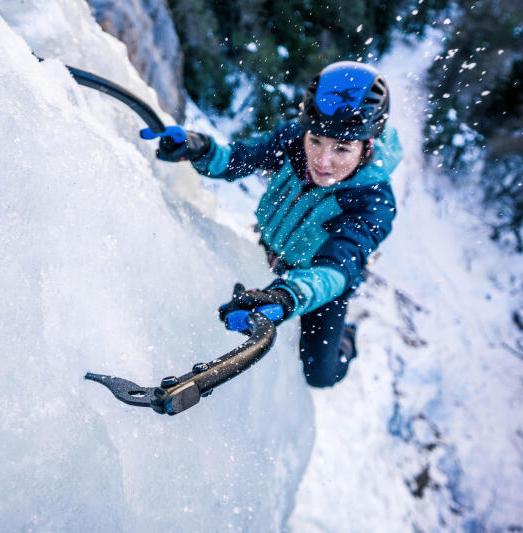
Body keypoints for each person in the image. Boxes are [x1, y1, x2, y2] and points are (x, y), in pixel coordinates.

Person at [152, 61, 402, 388]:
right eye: (317, 141)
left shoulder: (373, 201)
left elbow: (337, 269)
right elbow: (239, 158)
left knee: (320, 374)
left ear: (367, 145)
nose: (322, 162)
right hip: (272, 248)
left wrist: (287, 297)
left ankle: (347, 340)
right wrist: (199, 149)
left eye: (342, 148)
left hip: (321, 281)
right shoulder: (293, 140)